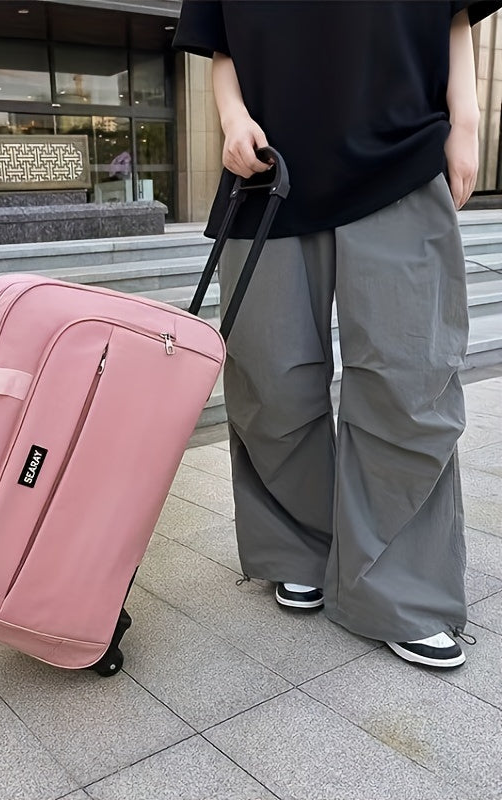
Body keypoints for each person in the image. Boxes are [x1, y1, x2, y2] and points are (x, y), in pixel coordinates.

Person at [173, 0, 501, 668]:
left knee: (410, 379)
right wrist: (233, 121)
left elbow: (453, 12)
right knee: (271, 378)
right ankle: (302, 547)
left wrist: (465, 121)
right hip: (268, 172)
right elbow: (219, 39)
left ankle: (402, 589)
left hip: (402, 153)